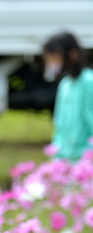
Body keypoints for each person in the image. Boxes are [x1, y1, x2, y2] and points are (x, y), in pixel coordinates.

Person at [42, 31, 93, 161]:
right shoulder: (65, 84)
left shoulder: (89, 82)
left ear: (72, 54)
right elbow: (59, 124)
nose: (52, 63)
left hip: (85, 159)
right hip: (64, 159)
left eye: (55, 58)